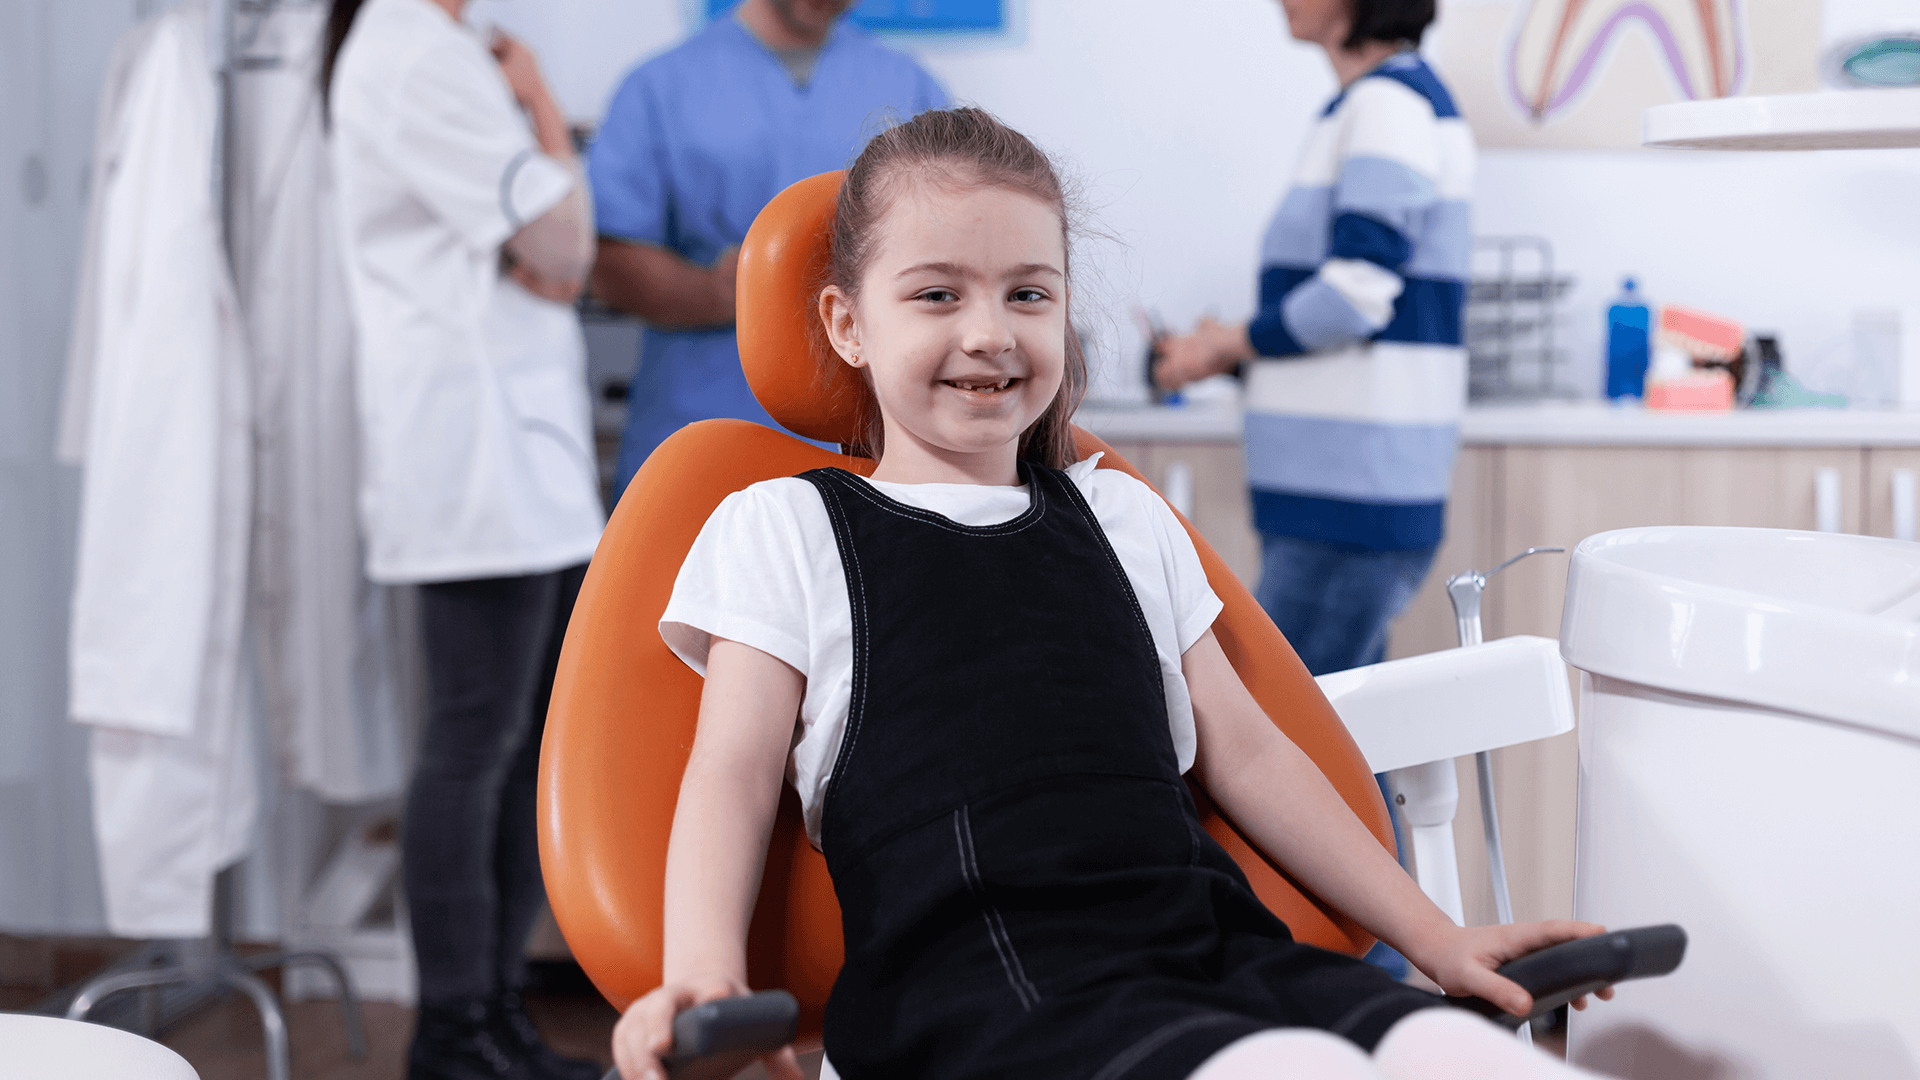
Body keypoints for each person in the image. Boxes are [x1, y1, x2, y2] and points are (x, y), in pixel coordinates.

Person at [607, 108, 1607, 1080]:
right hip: (974, 996)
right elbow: (730, 776)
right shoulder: (784, 528)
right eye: (936, 296)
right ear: (847, 323)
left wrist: (1441, 941)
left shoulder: (1121, 517)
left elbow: (1250, 754)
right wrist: (704, 980)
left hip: (1208, 957)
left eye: (1029, 295)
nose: (991, 333)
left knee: (1454, 1052)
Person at [324, 1, 605, 1077]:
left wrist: (544, 252)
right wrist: (536, 97)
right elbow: (566, 246)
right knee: (475, 747)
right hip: (471, 463)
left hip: (517, 462)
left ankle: (494, 1021)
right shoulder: (414, 53)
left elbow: (551, 259)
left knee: (525, 749)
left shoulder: (438, 47)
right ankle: (453, 1030)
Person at [1154, 0, 1472, 680]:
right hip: (1340, 493)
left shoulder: (1387, 107)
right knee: (1345, 747)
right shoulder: (1373, 105)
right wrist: (1233, 352)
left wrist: (1229, 344)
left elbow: (1356, 294)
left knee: (1295, 742)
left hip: (1348, 499)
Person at [586, 0, 949, 499]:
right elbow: (611, 257)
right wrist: (731, 294)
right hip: (702, 427)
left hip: (870, 442)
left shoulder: (908, 85)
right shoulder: (659, 86)